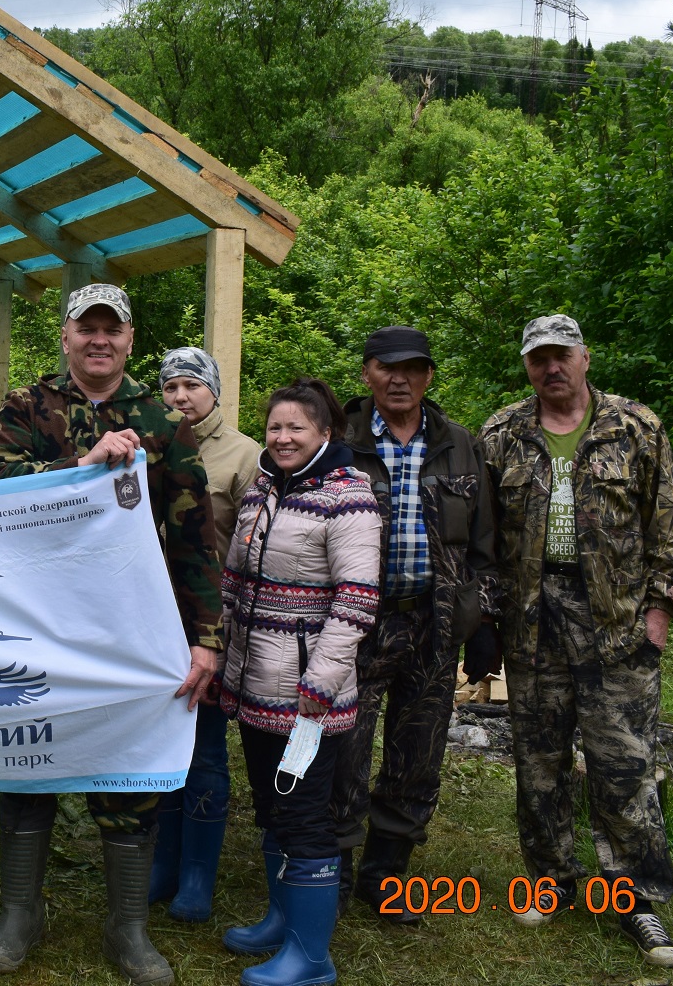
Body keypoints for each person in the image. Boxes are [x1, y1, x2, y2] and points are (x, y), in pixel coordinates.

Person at [0, 285, 219, 986]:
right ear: (67, 335)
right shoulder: (27, 405)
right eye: (88, 329)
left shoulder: (164, 420)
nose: (100, 340)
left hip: (132, 630)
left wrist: (207, 638)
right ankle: (21, 910)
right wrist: (75, 469)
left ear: (130, 340)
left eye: (112, 330)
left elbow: (196, 534)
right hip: (35, 622)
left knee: (130, 767)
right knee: (25, 760)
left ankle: (128, 924)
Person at [480, 315, 673, 968]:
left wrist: (662, 608)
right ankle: (549, 877)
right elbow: (483, 540)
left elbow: (669, 521)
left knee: (623, 761)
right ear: (526, 366)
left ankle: (632, 897)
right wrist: (484, 623)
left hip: (617, 621)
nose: (551, 367)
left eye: (561, 355)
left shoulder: (636, 427)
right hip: (530, 617)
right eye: (538, 357)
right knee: (538, 761)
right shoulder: (500, 433)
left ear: (585, 358)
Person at [331, 326, 498, 920]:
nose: (399, 378)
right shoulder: (335, 439)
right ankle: (329, 871)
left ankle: (385, 879)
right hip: (352, 628)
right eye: (386, 367)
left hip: (433, 622)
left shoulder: (459, 444)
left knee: (417, 754)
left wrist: (483, 624)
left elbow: (484, 542)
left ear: (429, 376)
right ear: (367, 373)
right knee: (339, 749)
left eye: (413, 368)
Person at [218, 377, 380, 986]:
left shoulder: (349, 500)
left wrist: (323, 680)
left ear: (325, 434)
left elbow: (357, 600)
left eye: (297, 428)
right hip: (257, 683)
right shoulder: (262, 491)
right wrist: (223, 662)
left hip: (310, 694)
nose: (283, 437)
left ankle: (311, 959)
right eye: (276, 426)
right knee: (272, 809)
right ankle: (281, 920)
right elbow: (235, 582)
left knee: (306, 817)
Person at [145, 347, 261, 922]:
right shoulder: (149, 442)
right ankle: (163, 863)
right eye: (170, 388)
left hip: (212, 622)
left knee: (207, 750)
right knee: (164, 742)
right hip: (151, 620)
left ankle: (197, 876)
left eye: (192, 385)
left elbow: (253, 550)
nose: (180, 397)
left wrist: (223, 632)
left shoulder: (246, 456)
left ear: (213, 390)